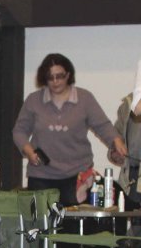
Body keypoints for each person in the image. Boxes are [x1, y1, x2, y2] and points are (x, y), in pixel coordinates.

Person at [12, 53, 127, 206]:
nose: (55, 81)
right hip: (41, 176)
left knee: (77, 219)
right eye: (50, 77)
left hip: (78, 176)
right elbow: (19, 131)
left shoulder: (85, 98)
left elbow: (102, 126)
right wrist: (29, 151)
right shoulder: (34, 100)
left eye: (59, 76)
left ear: (68, 74)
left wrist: (116, 140)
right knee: (43, 220)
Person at [109, 90, 141, 209]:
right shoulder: (129, 103)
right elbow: (116, 136)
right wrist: (115, 151)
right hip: (132, 177)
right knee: (133, 216)